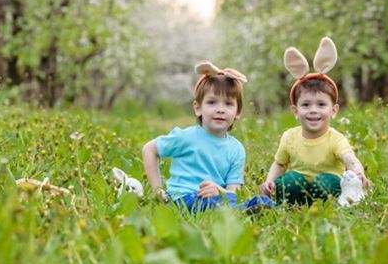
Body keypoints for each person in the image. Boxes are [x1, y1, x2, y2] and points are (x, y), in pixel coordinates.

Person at [260, 37, 370, 206]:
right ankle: (292, 208)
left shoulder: (335, 138)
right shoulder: (289, 137)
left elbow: (349, 158)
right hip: (298, 187)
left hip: (326, 186)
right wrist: (269, 181)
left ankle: (327, 206)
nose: (313, 110)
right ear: (295, 111)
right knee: (288, 180)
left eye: (321, 104)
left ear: (333, 111)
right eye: (305, 104)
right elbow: (280, 164)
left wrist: (358, 172)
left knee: (325, 182)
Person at [142, 60, 249, 213]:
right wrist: (158, 190)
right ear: (198, 108)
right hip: (183, 198)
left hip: (215, 198)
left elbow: (233, 193)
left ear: (238, 112)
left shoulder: (236, 149)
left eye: (228, 104)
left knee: (240, 202)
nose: (220, 110)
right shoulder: (186, 137)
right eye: (212, 102)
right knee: (217, 205)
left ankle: (249, 207)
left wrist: (220, 191)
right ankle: (242, 210)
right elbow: (149, 149)